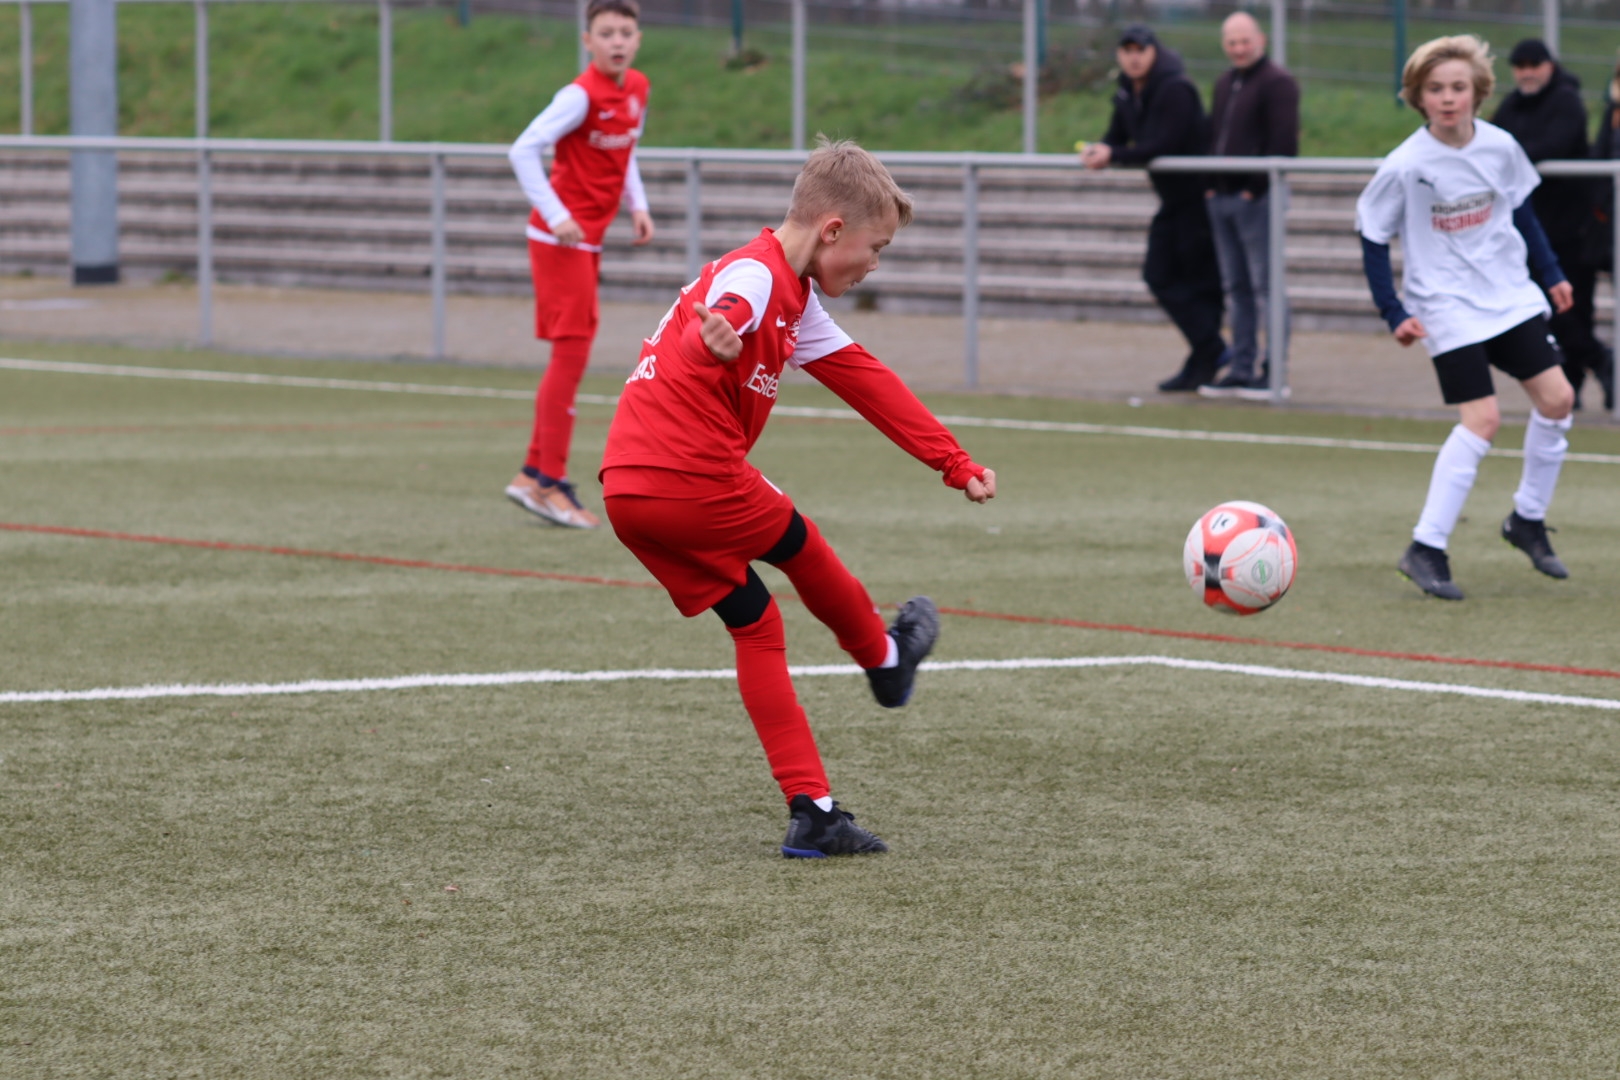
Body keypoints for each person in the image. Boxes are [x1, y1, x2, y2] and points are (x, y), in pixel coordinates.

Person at [600, 139, 997, 858]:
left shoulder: (795, 297)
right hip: (690, 474)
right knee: (801, 545)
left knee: (756, 625)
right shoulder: (756, 276)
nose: (874, 264)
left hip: (628, 490)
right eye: (876, 248)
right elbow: (725, 314)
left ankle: (813, 813)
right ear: (833, 230)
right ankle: (884, 661)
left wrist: (951, 459)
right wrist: (714, 339)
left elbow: (863, 377)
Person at [1356, 35, 1577, 601]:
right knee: (1482, 420)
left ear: (1478, 92)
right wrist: (1392, 310)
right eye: (1435, 89)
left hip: (1506, 294)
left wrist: (1551, 272)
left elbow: (1521, 210)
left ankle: (1526, 519)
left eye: (1458, 87)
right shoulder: (1406, 164)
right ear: (1418, 97)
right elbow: (1373, 234)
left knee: (1558, 400)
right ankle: (1426, 547)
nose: (1448, 98)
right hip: (1445, 305)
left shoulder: (1501, 146)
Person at [504, 0, 655, 530]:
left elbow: (625, 153)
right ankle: (550, 483)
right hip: (559, 239)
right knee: (571, 352)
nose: (617, 41)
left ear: (638, 39)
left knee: (576, 346)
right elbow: (522, 151)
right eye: (606, 32)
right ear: (587, 41)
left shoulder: (637, 88)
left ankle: (531, 473)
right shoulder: (578, 96)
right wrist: (557, 214)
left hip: (588, 239)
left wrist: (638, 204)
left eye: (625, 32)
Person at [1081, 24, 1228, 393]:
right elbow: (1118, 136)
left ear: (1154, 52)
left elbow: (1164, 144)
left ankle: (1207, 356)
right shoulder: (1127, 91)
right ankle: (1210, 350)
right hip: (1172, 200)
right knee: (1159, 275)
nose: (1134, 57)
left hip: (1199, 197)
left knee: (1199, 283)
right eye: (1127, 50)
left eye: (1140, 50)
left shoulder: (1175, 88)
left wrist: (1115, 155)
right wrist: (1101, 149)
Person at [1492, 38, 1615, 412]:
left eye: (1534, 64)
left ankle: (1591, 368)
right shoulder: (1512, 105)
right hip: (1530, 228)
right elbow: (1493, 146)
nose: (1527, 72)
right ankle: (1586, 372)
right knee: (1549, 311)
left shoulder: (1566, 101)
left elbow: (1551, 146)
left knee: (1571, 308)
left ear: (1549, 65)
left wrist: (1514, 155)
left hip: (1571, 228)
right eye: (1520, 65)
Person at [1198, 12, 1299, 400]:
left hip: (1257, 199)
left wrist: (1252, 190)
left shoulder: (1278, 83)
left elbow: (1283, 144)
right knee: (1235, 287)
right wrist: (1211, 185)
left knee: (1266, 285)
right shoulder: (1225, 82)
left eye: (1245, 41)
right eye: (1232, 42)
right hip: (1221, 198)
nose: (1239, 49)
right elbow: (1215, 135)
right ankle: (1241, 366)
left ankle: (1274, 370)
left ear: (1261, 40)